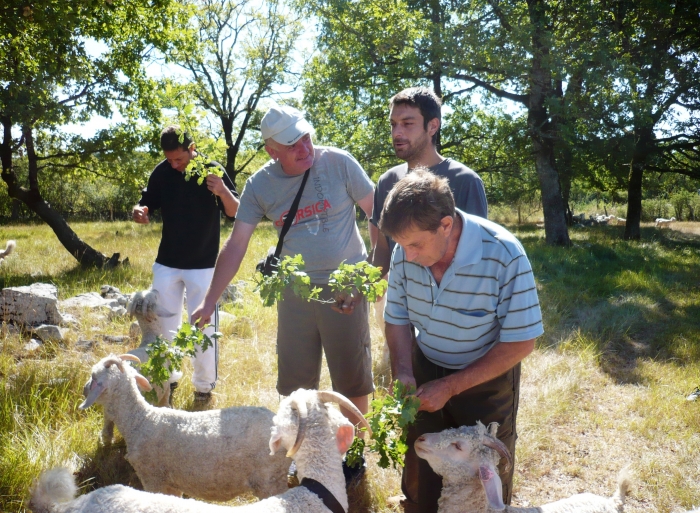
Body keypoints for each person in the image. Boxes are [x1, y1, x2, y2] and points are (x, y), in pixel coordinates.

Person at [190, 104, 375, 449]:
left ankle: (354, 457)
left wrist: (370, 275)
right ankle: (302, 454)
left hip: (345, 289)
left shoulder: (339, 162)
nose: (304, 148)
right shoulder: (260, 184)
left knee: (352, 381)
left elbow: (377, 213)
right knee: (296, 386)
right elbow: (236, 245)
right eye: (292, 145)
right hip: (295, 293)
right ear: (271, 150)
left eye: (306, 137)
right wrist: (209, 300)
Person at [380, 169, 543, 513]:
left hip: (485, 379)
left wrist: (452, 386)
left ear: (445, 225)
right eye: (401, 245)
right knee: (422, 461)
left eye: (415, 245)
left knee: (480, 477)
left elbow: (522, 341)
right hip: (425, 367)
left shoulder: (504, 253)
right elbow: (396, 319)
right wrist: (405, 371)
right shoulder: (404, 251)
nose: (406, 256)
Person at [369, 87, 489, 368]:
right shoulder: (387, 183)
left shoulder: (465, 181)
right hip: (402, 312)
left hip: (456, 323)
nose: (397, 132)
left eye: (408, 124)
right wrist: (359, 286)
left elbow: (478, 256)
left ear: (432, 126)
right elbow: (382, 249)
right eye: (394, 124)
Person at [133, 126, 239, 404]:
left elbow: (235, 211)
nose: (174, 164)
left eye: (179, 159)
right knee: (163, 326)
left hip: (203, 265)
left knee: (203, 327)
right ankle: (167, 382)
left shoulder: (211, 169)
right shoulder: (162, 171)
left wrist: (222, 191)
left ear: (192, 148)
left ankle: (204, 387)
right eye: (169, 159)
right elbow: (147, 202)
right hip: (167, 263)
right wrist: (140, 211)